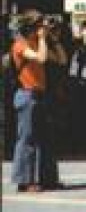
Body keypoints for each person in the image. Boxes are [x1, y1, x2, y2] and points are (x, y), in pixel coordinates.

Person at [10, 12, 65, 192]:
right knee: (27, 138)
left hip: (41, 94)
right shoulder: (20, 45)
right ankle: (24, 181)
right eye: (40, 25)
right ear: (31, 27)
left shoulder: (38, 43)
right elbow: (41, 58)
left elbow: (61, 59)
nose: (43, 29)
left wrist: (54, 40)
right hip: (26, 94)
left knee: (46, 138)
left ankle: (48, 179)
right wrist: (42, 39)